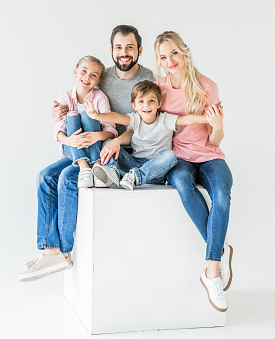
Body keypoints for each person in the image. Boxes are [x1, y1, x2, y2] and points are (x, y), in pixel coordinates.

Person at [19, 25, 154, 282]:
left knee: (67, 180)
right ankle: (50, 249)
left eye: (129, 47)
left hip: (119, 150)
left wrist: (115, 140)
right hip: (85, 146)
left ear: (139, 50)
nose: (124, 53)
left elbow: (150, 121)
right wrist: (58, 113)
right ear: (112, 51)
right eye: (118, 47)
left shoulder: (150, 79)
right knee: (44, 177)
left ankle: (65, 252)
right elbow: (77, 96)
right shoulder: (102, 77)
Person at [154, 31, 233, 312]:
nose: (170, 60)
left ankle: (212, 270)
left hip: (209, 156)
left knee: (222, 194)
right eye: (163, 57)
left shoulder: (207, 86)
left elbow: (214, 139)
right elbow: (156, 123)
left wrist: (219, 124)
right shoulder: (158, 88)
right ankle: (220, 251)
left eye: (174, 53)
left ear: (184, 51)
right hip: (179, 158)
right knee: (182, 186)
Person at [86, 80, 213, 191]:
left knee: (170, 156)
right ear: (134, 105)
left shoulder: (165, 119)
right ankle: (112, 172)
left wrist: (209, 118)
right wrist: (96, 115)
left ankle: (138, 176)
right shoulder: (135, 119)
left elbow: (187, 120)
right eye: (141, 101)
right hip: (133, 165)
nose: (146, 106)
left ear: (159, 103)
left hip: (155, 171)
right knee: (109, 143)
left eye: (151, 101)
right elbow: (117, 117)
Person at [55, 55, 117, 188]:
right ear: (76, 71)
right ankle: (84, 168)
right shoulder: (65, 97)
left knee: (89, 116)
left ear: (98, 80)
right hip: (72, 147)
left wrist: (96, 136)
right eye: (84, 71)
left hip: (95, 146)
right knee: (72, 116)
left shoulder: (100, 97)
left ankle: (97, 167)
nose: (87, 77)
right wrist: (70, 140)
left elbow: (111, 130)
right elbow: (58, 131)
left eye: (93, 75)